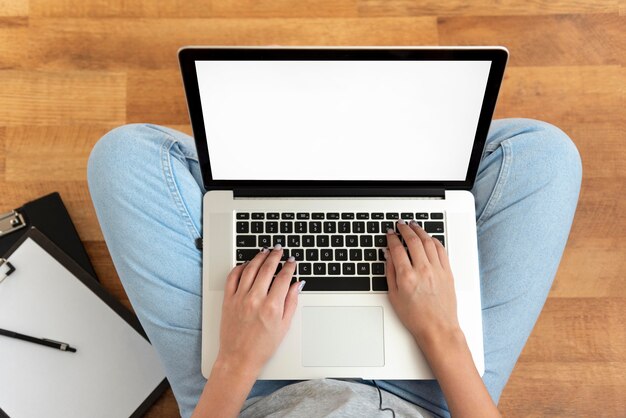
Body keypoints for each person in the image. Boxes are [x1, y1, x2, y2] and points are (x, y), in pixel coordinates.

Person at [87, 118, 581, 418]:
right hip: (435, 395)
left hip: (247, 396)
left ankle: (313, 170)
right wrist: (442, 332)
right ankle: (354, 169)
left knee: (124, 157)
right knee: (543, 153)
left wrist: (236, 359)